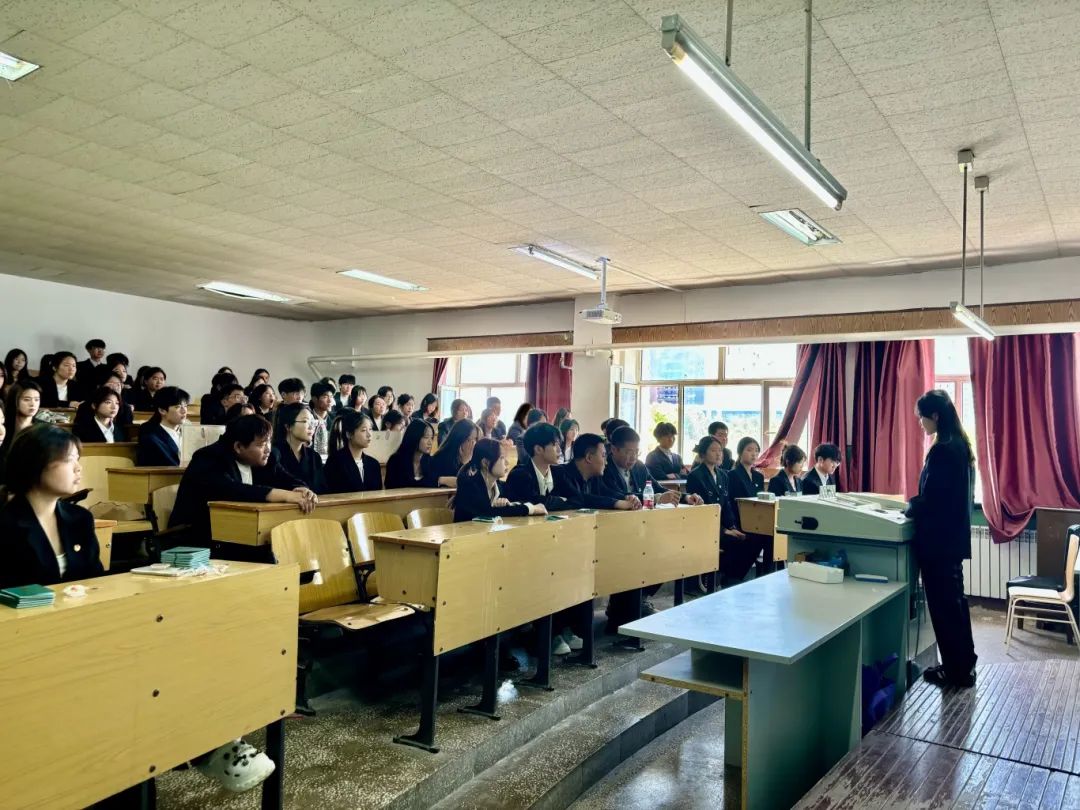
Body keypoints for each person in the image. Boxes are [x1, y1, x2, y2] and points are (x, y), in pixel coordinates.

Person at [906, 389, 978, 689]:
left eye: (922, 417)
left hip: (938, 544)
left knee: (944, 609)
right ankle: (962, 664)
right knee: (955, 605)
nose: (921, 423)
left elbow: (932, 498)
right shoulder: (960, 445)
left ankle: (956, 672)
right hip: (951, 542)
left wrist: (910, 506)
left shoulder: (943, 450)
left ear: (935, 415)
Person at [169, 415, 317, 548]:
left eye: (269, 442)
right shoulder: (208, 458)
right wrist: (284, 495)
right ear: (238, 447)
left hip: (241, 535)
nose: (268, 449)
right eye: (261, 445)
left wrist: (301, 489)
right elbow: (232, 490)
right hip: (198, 539)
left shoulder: (267, 458)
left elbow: (287, 479)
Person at [0, 425, 102, 587]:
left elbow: (96, 581)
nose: (78, 468)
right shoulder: (6, 525)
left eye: (77, 459)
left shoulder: (81, 518)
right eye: (69, 459)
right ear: (36, 463)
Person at [686, 436, 761, 588]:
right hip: (706, 527)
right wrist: (724, 531)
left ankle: (733, 578)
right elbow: (701, 511)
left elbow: (726, 505)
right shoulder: (695, 475)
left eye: (720, 450)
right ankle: (724, 577)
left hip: (723, 525)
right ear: (703, 454)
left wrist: (732, 526)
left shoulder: (722, 475)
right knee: (735, 542)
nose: (718, 454)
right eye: (713, 450)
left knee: (752, 539)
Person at [453, 438, 546, 522]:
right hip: (466, 534)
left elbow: (520, 500)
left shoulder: (500, 486)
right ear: (485, 463)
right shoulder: (470, 485)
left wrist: (508, 504)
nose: (507, 462)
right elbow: (487, 513)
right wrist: (530, 509)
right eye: (502, 458)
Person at [551, 433, 641, 512]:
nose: (606, 462)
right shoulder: (561, 474)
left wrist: (627, 498)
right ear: (589, 458)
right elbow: (580, 498)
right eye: (603, 455)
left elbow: (607, 492)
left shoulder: (594, 477)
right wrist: (617, 503)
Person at [504, 423, 574, 511]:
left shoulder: (559, 472)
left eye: (559, 444)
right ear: (538, 449)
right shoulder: (519, 475)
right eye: (554, 445)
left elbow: (577, 499)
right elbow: (533, 502)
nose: (559, 450)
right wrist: (562, 500)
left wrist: (553, 501)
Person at [325, 409, 382, 494]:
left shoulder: (374, 464)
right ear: (349, 434)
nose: (369, 434)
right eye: (363, 430)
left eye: (370, 429)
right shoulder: (335, 462)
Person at [272, 402, 325, 493]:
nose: (311, 426)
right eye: (305, 421)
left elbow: (322, 490)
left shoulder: (314, 456)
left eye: (312, 422)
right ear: (288, 426)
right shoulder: (274, 454)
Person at [137, 386, 188, 466]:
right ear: (162, 410)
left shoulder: (188, 430)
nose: (184, 411)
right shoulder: (150, 437)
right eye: (178, 407)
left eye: (185, 406)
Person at [385, 419, 437, 489]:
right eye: (426, 437)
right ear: (414, 436)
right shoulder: (396, 461)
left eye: (432, 438)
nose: (430, 442)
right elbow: (394, 488)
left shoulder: (431, 461)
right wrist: (438, 481)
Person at [2, 380, 43, 462]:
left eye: (36, 399)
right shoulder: (3, 426)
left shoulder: (42, 428)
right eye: (27, 399)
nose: (33, 404)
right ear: (14, 400)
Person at [727, 437, 765, 526]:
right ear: (740, 452)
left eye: (756, 451)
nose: (754, 454)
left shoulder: (759, 476)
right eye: (749, 450)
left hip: (758, 518)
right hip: (739, 519)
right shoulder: (732, 474)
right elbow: (730, 502)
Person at [430, 419, 479, 487]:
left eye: (475, 439)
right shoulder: (442, 457)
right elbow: (460, 482)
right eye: (468, 440)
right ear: (459, 439)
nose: (473, 444)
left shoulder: (473, 458)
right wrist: (464, 463)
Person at [308, 381, 334, 457]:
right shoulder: (307, 419)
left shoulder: (335, 419)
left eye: (331, 396)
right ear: (314, 399)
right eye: (325, 397)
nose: (330, 401)